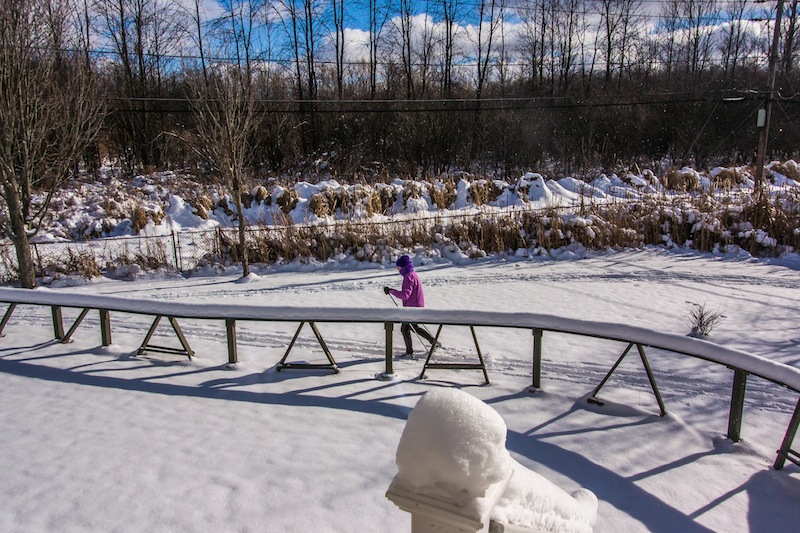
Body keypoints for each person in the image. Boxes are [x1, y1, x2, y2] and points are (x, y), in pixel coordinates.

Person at [383, 254, 439, 357]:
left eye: (398, 267)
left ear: (403, 267)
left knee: (406, 329)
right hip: (415, 306)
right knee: (412, 327)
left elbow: (405, 295)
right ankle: (433, 342)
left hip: (412, 308)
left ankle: (411, 352)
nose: (397, 269)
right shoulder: (412, 274)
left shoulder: (408, 277)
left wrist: (391, 291)